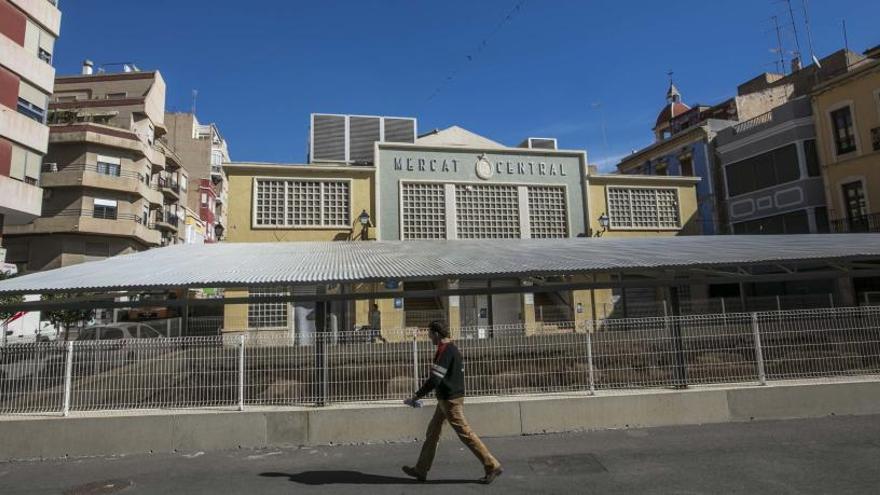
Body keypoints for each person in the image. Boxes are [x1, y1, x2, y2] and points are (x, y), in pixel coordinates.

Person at [402, 320, 503, 484]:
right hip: (446, 399)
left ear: (436, 334)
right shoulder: (449, 349)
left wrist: (416, 396)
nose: (428, 337)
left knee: (465, 434)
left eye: (429, 334)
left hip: (450, 400)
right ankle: (421, 469)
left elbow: (435, 379)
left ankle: (492, 465)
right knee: (432, 432)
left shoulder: (446, 351)